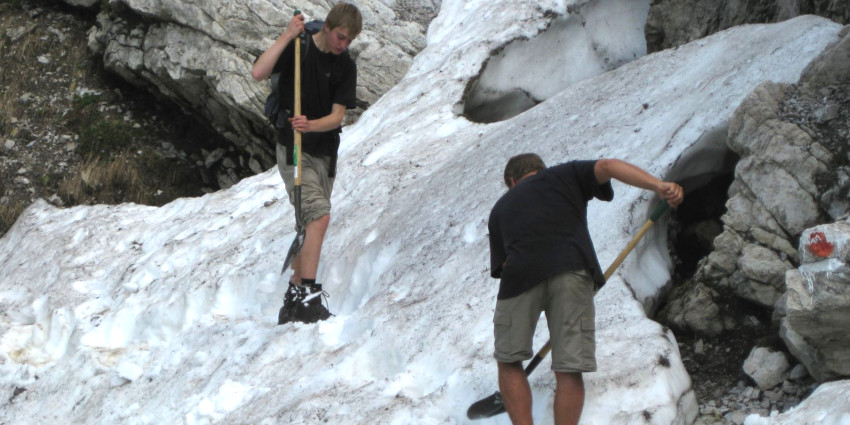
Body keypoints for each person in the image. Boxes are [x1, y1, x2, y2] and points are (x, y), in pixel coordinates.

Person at [487, 154, 683, 425]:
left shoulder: (500, 209)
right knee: (569, 367)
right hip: (571, 270)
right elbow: (608, 166)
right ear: (540, 170)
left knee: (509, 362)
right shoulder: (563, 175)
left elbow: (504, 262)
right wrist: (658, 186)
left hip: (518, 278)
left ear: (511, 181)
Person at [251, 3, 362, 324]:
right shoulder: (298, 48)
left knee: (310, 224)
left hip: (325, 151)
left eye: (349, 41)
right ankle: (307, 298)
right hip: (294, 150)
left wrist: (311, 125)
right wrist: (287, 35)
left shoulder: (345, 66)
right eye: (341, 37)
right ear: (327, 27)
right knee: (318, 217)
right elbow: (258, 73)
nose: (343, 45)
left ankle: (292, 295)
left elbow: (338, 116)